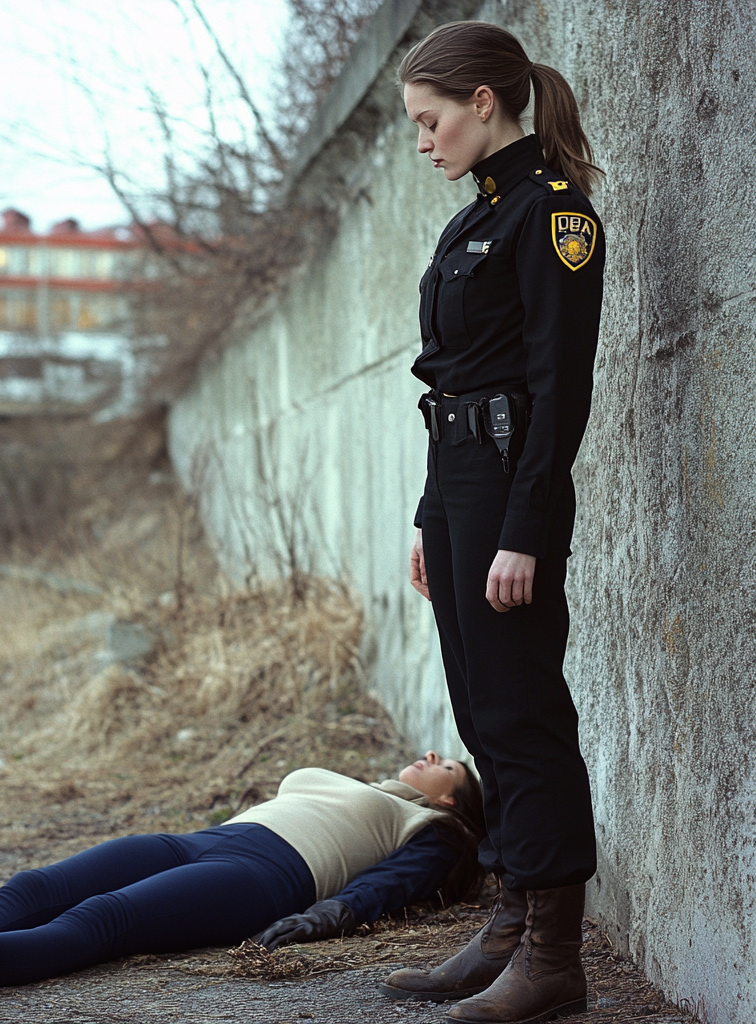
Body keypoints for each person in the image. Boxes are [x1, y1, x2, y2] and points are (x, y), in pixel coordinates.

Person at [377, 21, 606, 1024]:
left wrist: (525, 530)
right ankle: (509, 924)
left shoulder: (552, 217)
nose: (423, 142)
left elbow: (556, 391)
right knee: (478, 710)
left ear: (482, 102)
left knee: (521, 717)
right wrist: (431, 516)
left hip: (513, 486)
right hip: (461, 481)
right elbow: (449, 382)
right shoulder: (473, 216)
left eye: (431, 122)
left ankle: (553, 956)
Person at [0, 751, 485, 1013]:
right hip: (204, 839)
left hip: (263, 875)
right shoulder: (361, 779)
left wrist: (325, 917)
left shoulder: (431, 831)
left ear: (452, 800)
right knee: (33, 889)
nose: (430, 754)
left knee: (101, 920)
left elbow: (389, 886)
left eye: (447, 763)